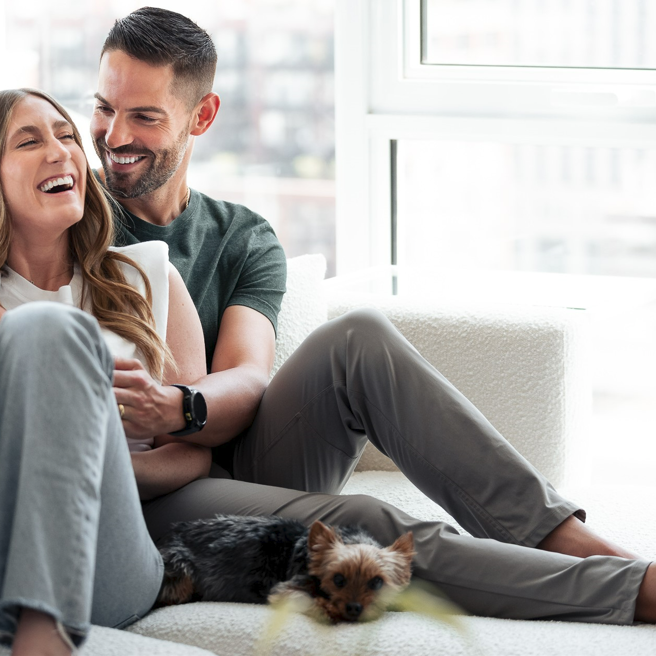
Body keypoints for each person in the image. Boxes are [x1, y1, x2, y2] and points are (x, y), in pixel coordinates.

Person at [84, 6, 656, 628]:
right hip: (154, 490)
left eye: (143, 115)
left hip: (240, 460)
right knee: (363, 525)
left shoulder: (241, 236)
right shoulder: (71, 221)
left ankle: (560, 534)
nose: (114, 136)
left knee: (360, 337)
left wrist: (182, 407)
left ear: (202, 116)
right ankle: (632, 592)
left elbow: (248, 379)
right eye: (104, 108)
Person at [0, 88, 210, 655]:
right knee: (44, 331)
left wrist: (87, 459)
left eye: (67, 135)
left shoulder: (149, 280)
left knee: (52, 328)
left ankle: (41, 637)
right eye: (29, 140)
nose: (60, 151)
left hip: (114, 552)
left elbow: (193, 452)